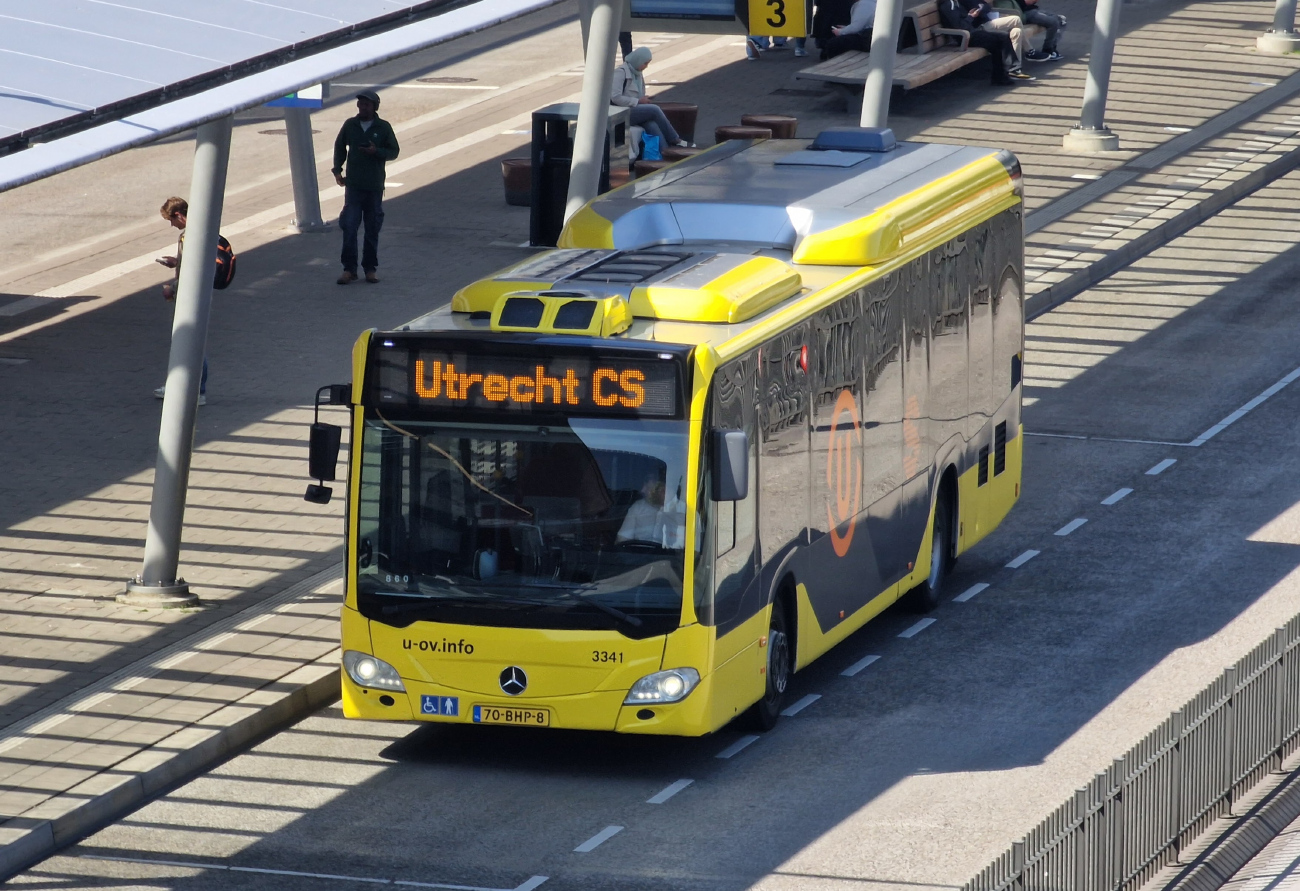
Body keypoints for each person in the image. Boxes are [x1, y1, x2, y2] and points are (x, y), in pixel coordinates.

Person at [332, 90, 400, 285]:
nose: (362, 107)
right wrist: (337, 170)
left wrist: (375, 151)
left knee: (372, 228)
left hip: (374, 186)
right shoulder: (350, 125)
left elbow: (394, 151)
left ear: (375, 107)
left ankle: (370, 269)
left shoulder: (383, 127)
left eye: (367, 105)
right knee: (350, 227)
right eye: (360, 104)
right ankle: (349, 269)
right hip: (353, 186)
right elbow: (339, 147)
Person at [154, 196, 208, 405]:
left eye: (171, 220)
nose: (171, 225)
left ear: (179, 216)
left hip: (189, 296)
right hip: (199, 294)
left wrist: (171, 289)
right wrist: (176, 262)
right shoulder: (203, 228)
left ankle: (191, 389)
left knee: (188, 342)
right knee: (193, 341)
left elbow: (190, 271)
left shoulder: (189, 236)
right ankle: (193, 388)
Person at [610, 47, 693, 148]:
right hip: (621, 112)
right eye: (645, 63)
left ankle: (665, 153)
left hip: (633, 108)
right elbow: (615, 97)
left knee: (651, 124)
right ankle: (675, 139)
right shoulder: (620, 73)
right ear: (638, 60)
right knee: (654, 109)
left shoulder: (637, 74)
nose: (646, 66)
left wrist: (643, 99)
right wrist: (638, 101)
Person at [938, 0, 1029, 83]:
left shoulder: (954, 2)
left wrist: (970, 16)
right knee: (1000, 39)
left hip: (971, 33)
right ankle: (1006, 72)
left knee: (1001, 38)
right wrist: (971, 17)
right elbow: (960, 26)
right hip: (966, 37)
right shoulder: (948, 5)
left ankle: (1001, 75)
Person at [960, 0, 1034, 79]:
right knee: (1016, 19)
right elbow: (977, 13)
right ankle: (1030, 51)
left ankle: (1014, 69)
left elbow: (987, 7)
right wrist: (979, 10)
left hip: (989, 23)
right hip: (979, 28)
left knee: (1017, 32)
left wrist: (982, 8)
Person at [618, 475, 666, 543]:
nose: (642, 490)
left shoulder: (680, 509)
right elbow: (622, 540)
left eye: (648, 488)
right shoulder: (638, 507)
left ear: (662, 489)